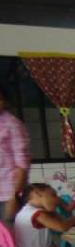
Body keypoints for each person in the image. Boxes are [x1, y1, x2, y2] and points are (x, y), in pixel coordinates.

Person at [14, 183, 75, 247]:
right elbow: (62, 227)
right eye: (53, 195)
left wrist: (53, 209)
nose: (57, 200)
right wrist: (74, 219)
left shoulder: (27, 210)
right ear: (37, 193)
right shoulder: (37, 214)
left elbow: (61, 220)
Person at [0, 84, 30, 222]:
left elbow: (22, 165)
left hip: (7, 197)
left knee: (8, 234)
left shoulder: (12, 124)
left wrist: (15, 197)